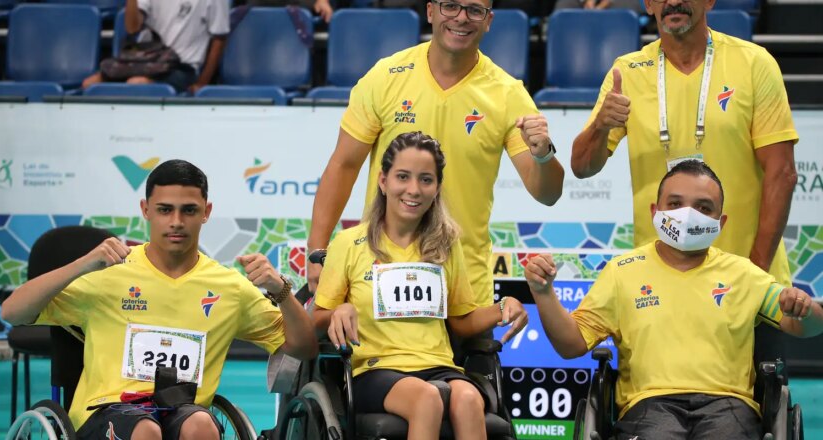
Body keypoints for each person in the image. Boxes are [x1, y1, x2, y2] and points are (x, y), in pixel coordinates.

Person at [2, 160, 318, 439]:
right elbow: (13, 312)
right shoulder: (109, 274)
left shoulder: (230, 287)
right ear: (146, 210)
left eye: (189, 210)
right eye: (165, 209)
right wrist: (82, 265)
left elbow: (304, 347)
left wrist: (281, 292)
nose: (176, 221)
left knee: (201, 427)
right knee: (145, 430)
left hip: (183, 411)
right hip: (109, 412)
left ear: (206, 212)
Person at [524, 160, 823, 439]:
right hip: (649, 407)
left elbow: (807, 327)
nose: (687, 214)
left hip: (728, 407)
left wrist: (805, 310)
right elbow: (571, 344)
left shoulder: (743, 272)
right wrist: (544, 293)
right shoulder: (621, 272)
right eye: (676, 204)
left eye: (704, 207)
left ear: (721, 222)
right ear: (655, 211)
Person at [306, 0, 565, 310]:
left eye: (474, 10)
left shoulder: (508, 94)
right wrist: (317, 251)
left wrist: (543, 155)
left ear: (488, 20)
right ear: (430, 11)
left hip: (464, 286)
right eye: (451, 6)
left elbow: (547, 194)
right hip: (381, 276)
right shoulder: (385, 77)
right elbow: (343, 166)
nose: (461, 18)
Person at [313, 132, 528, 439]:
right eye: (403, 177)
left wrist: (501, 307)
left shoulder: (446, 245)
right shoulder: (350, 243)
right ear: (383, 181)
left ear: (437, 188)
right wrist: (340, 310)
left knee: (469, 399)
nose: (414, 189)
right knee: (427, 398)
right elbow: (317, 319)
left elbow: (462, 322)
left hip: (439, 365)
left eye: (426, 180)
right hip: (376, 369)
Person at [570, 0, 798, 287]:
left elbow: (782, 173)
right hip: (661, 284)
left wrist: (756, 271)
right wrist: (601, 126)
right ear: (649, 5)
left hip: (746, 279)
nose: (674, 2)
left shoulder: (754, 63)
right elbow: (581, 167)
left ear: (710, 1)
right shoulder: (627, 72)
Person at [82, 0, 230, 94]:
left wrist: (202, 83)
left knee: (136, 84)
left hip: (182, 68)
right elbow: (132, 27)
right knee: (89, 84)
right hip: (146, 62)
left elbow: (220, 38)